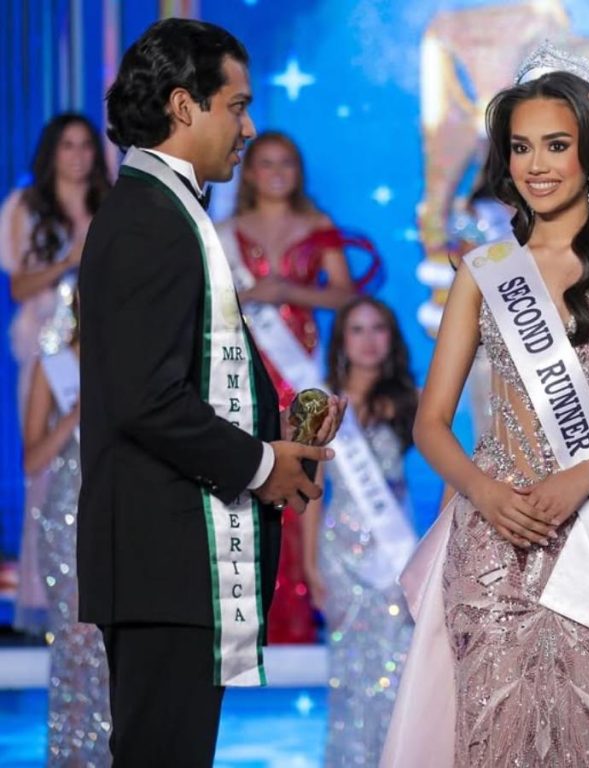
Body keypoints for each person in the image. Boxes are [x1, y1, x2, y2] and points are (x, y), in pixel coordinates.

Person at [385, 53, 589, 766]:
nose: (537, 165)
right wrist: (484, 492)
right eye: (522, 147)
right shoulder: (485, 270)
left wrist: (582, 478)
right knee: (493, 737)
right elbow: (431, 423)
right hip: (496, 540)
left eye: (556, 145)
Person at [76, 19, 340, 765]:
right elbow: (145, 398)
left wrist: (275, 426)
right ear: (184, 106)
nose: (250, 128)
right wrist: (262, 464)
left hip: (168, 560)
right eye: (238, 106)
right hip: (163, 560)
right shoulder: (150, 220)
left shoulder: (161, 208)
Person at [217, 130, 355, 644]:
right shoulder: (224, 231)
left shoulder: (318, 226)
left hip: (301, 379)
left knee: (300, 484)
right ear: (249, 171)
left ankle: (297, 616)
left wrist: (285, 290)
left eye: (287, 163)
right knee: (247, 480)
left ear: (298, 172)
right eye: (266, 163)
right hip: (247, 372)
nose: (276, 172)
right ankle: (243, 616)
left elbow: (345, 297)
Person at [0, 113, 110, 633]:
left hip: (103, 343)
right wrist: (71, 258)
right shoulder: (25, 207)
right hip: (47, 352)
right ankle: (52, 596)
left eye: (87, 145)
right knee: (48, 467)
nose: (79, 155)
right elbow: (19, 287)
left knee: (100, 462)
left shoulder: (112, 202)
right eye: (68, 145)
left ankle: (106, 580)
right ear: (52, 152)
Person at [302, 296, 419, 767]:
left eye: (378, 329)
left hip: (395, 557)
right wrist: (310, 565)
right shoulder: (321, 405)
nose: (369, 340)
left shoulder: (408, 401)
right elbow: (309, 491)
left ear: (391, 338)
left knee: (399, 673)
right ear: (342, 340)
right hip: (341, 558)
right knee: (349, 675)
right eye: (357, 329)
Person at [21, 295, 112, 765]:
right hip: (69, 516)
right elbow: (33, 459)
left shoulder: (141, 362)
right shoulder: (53, 366)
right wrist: (77, 415)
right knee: (77, 646)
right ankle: (75, 757)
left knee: (118, 646)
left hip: (126, 512)